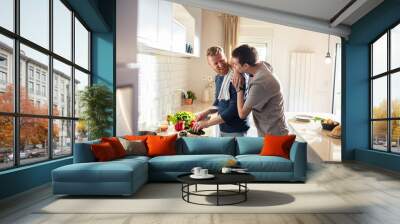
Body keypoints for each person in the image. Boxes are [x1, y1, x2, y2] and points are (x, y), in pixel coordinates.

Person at [231, 44, 288, 136]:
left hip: (274, 135)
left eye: (235, 65)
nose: (233, 66)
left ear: (245, 66)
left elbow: (242, 114)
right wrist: (236, 71)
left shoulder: (260, 83)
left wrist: (239, 89)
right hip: (271, 130)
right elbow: (234, 64)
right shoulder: (261, 65)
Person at [192, 46, 249, 137]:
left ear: (226, 58)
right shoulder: (218, 78)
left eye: (222, 60)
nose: (220, 65)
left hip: (236, 130)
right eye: (215, 63)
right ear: (210, 65)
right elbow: (218, 102)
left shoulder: (237, 78)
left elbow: (233, 111)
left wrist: (207, 123)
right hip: (222, 127)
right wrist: (205, 113)